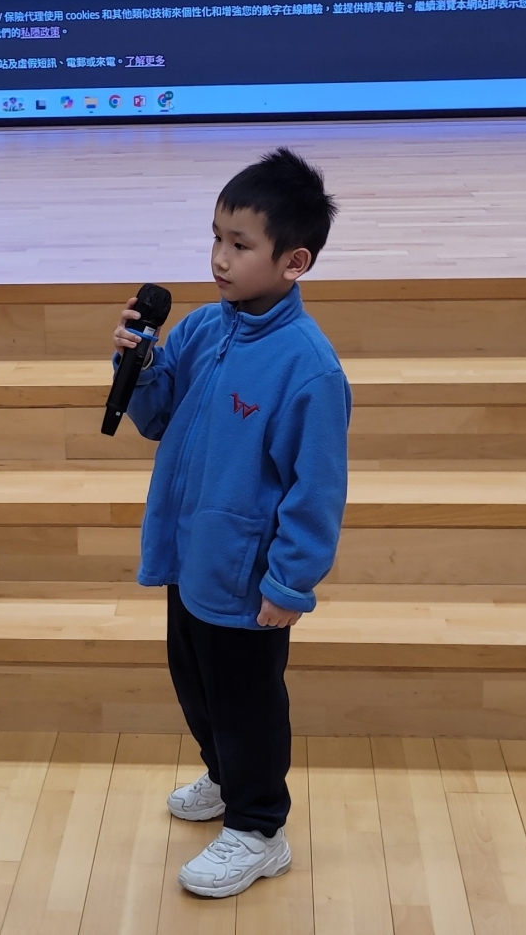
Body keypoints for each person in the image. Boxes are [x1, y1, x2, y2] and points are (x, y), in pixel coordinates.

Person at [110, 148, 350, 898]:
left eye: (240, 244)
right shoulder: (200, 330)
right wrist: (140, 365)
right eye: (215, 237)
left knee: (248, 704)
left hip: (248, 578)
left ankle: (258, 828)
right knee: (197, 685)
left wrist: (289, 582)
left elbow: (317, 491)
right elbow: (156, 419)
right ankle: (224, 777)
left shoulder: (308, 367)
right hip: (190, 556)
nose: (219, 258)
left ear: (294, 261)